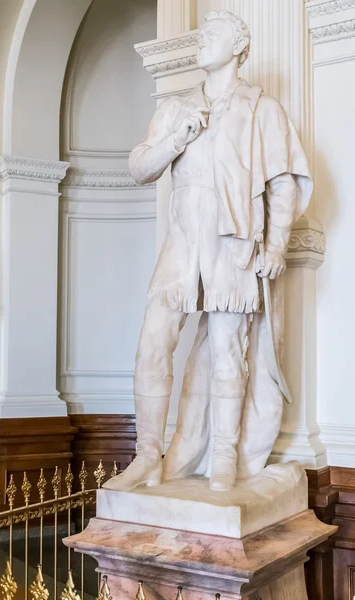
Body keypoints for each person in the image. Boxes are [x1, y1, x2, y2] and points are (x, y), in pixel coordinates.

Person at [103, 10, 312, 493]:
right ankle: (147, 455)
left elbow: (283, 184)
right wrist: (177, 140)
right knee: (153, 341)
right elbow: (139, 168)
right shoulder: (176, 110)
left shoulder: (262, 109)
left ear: (239, 47)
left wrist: (277, 243)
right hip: (183, 243)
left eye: (213, 34)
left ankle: (223, 455)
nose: (202, 39)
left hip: (232, 243)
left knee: (226, 351)